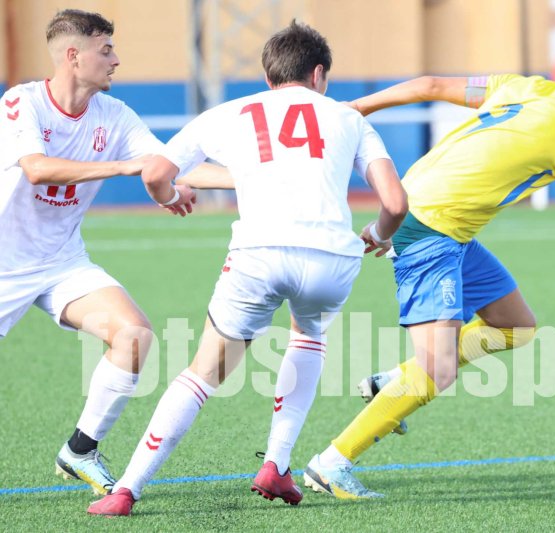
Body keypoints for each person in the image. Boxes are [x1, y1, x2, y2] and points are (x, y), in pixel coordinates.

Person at [86, 20, 407, 516]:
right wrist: (379, 236)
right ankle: (277, 465)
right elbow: (395, 202)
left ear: (268, 75)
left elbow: (155, 173)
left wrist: (171, 196)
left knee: (202, 374)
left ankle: (126, 489)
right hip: (331, 257)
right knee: (308, 338)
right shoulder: (347, 118)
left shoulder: (231, 112)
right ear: (319, 73)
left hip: (258, 254)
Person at [301, 42, 555, 499]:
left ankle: (393, 381)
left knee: (517, 327)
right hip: (433, 227)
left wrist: (355, 108)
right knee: (439, 370)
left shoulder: (525, 88)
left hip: (439, 221)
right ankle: (330, 464)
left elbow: (430, 85)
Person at [0, 9, 202, 495]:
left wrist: (251, 180)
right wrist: (122, 166)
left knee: (133, 336)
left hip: (61, 261)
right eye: (105, 49)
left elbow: (161, 167)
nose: (116, 60)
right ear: (73, 56)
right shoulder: (21, 101)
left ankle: (80, 451)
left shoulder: (116, 115)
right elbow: (38, 170)